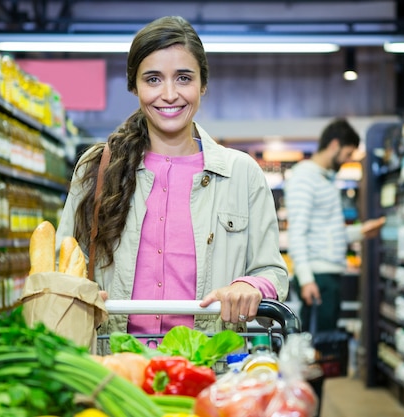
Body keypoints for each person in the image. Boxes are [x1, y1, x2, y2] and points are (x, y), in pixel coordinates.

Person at [55, 16, 288, 346]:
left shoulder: (242, 175)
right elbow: (60, 263)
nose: (169, 94)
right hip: (114, 371)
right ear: (134, 86)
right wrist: (77, 290)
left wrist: (250, 287)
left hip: (210, 367)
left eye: (183, 78)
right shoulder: (96, 168)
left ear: (203, 84)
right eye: (153, 79)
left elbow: (272, 272)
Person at [284, 118, 385, 333]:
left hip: (328, 275)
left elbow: (326, 232)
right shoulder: (305, 177)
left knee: (325, 344)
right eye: (347, 154)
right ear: (334, 145)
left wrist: (361, 231)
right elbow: (297, 233)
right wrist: (306, 280)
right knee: (319, 346)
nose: (348, 160)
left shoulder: (324, 179)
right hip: (319, 278)